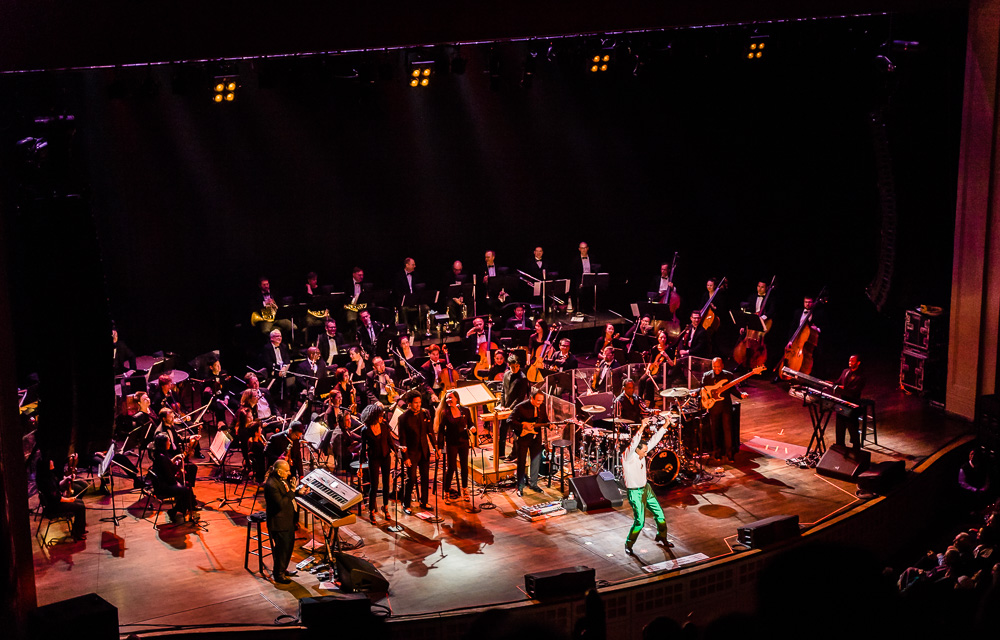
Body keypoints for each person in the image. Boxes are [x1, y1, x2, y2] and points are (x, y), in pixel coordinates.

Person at [622, 422, 672, 554]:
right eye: (644, 451)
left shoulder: (642, 452)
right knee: (640, 522)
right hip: (635, 493)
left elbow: (655, 440)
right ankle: (629, 544)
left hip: (646, 489)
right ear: (636, 449)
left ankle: (662, 536)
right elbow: (634, 442)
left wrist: (665, 425)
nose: (646, 454)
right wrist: (642, 427)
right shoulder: (627, 457)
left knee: (660, 514)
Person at [701, 357, 747, 462]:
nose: (716, 368)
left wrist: (740, 395)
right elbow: (702, 389)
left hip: (726, 406)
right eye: (714, 366)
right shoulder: (707, 376)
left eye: (718, 366)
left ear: (722, 366)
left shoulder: (728, 375)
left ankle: (730, 454)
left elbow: (732, 389)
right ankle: (717, 452)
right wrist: (697, 394)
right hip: (713, 406)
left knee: (728, 430)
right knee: (715, 430)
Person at [359, 403, 397, 523]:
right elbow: (363, 448)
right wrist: (360, 466)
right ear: (374, 416)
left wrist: (397, 451)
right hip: (374, 458)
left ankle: (385, 507)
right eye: (380, 416)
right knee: (374, 485)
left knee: (386, 484)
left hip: (385, 457)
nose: (382, 418)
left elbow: (390, 441)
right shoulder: (365, 430)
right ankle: (371, 511)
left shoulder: (384, 426)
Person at [264, 459, 301, 584]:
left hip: (287, 520)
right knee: (282, 550)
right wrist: (292, 492)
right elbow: (281, 503)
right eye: (286, 471)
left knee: (288, 547)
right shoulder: (271, 485)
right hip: (279, 523)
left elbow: (287, 494)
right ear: (279, 472)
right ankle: (278, 574)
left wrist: (297, 491)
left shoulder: (281, 479)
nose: (289, 473)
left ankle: (283, 569)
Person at [35, 454, 88, 540]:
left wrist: (66, 480)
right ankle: (78, 533)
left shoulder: (49, 475)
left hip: (55, 502)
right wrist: (69, 499)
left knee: (80, 502)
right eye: (50, 461)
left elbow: (57, 486)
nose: (52, 462)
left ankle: (78, 530)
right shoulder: (45, 481)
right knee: (80, 507)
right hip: (53, 507)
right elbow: (55, 498)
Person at [397, 392, 435, 514]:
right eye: (415, 403)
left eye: (419, 402)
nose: (418, 405)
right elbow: (402, 440)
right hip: (411, 453)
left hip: (424, 450)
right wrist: (406, 457)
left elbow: (430, 431)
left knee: (425, 477)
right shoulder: (403, 418)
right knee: (411, 478)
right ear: (409, 404)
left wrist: (436, 447)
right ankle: (406, 503)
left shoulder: (424, 413)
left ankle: (424, 501)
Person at [149, 433, 198, 522]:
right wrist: (177, 472)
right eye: (168, 442)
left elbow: (167, 467)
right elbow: (170, 479)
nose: (170, 443)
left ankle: (186, 507)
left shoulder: (159, 454)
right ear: (163, 444)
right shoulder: (162, 458)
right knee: (186, 489)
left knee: (187, 485)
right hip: (163, 487)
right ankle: (175, 511)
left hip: (163, 483)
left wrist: (175, 459)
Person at [508, 390, 549, 496]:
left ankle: (534, 484)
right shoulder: (520, 407)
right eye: (538, 400)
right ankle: (520, 486)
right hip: (523, 437)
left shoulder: (542, 406)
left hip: (536, 437)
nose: (540, 403)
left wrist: (550, 425)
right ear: (532, 398)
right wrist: (523, 426)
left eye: (541, 401)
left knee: (536, 460)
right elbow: (509, 420)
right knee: (521, 461)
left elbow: (545, 419)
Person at [436, 390, 475, 500]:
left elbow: (470, 423)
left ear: (457, 399)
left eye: (450, 397)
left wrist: (473, 428)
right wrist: (439, 447)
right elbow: (441, 431)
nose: (448, 400)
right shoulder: (445, 413)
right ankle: (446, 491)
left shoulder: (465, 410)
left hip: (464, 442)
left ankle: (465, 489)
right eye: (447, 398)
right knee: (451, 467)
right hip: (452, 443)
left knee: (464, 467)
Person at [497, 355, 529, 461]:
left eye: (517, 366)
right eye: (512, 367)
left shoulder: (523, 378)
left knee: (515, 433)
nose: (515, 369)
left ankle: (514, 455)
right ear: (509, 365)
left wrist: (510, 408)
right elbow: (503, 391)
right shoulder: (506, 374)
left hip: (516, 409)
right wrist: (502, 405)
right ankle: (500, 453)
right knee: (502, 430)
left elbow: (520, 397)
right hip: (505, 408)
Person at [833, 354, 866, 450]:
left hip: (852, 405)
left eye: (852, 361)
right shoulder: (845, 371)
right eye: (849, 360)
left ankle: (856, 449)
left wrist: (843, 388)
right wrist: (831, 384)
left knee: (852, 427)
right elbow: (838, 382)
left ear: (858, 363)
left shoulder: (861, 376)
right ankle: (840, 446)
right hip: (842, 402)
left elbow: (855, 391)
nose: (850, 362)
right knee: (839, 425)